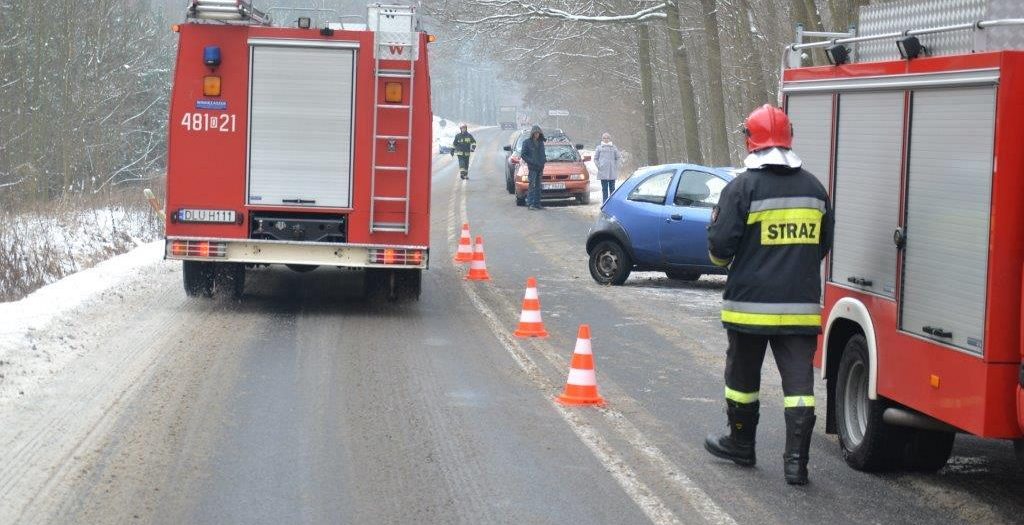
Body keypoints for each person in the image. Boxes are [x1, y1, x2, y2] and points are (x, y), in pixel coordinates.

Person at [704, 104, 834, 486]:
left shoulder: (741, 188)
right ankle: (796, 464)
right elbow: (822, 245)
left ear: (751, 140)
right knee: (799, 388)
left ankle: (741, 445)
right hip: (800, 308)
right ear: (789, 139)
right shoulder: (815, 190)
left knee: (742, 380)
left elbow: (719, 249)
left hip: (749, 308)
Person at [521, 125, 546, 210]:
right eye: (535, 133)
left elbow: (543, 154)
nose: (537, 135)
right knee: (532, 185)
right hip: (532, 168)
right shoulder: (527, 142)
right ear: (532, 133)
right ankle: (530, 203)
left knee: (538, 186)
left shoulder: (541, 142)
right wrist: (531, 161)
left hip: (540, 167)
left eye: (538, 133)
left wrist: (543, 160)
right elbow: (523, 155)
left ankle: (537, 204)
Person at [593, 132, 621, 202]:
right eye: (604, 138)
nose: (606, 139)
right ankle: (605, 202)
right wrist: (599, 166)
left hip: (612, 171)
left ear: (610, 139)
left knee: (612, 189)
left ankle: (612, 202)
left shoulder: (613, 147)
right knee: (604, 189)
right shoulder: (599, 148)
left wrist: (615, 166)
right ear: (602, 139)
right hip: (603, 171)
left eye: (607, 138)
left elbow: (618, 157)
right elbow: (595, 158)